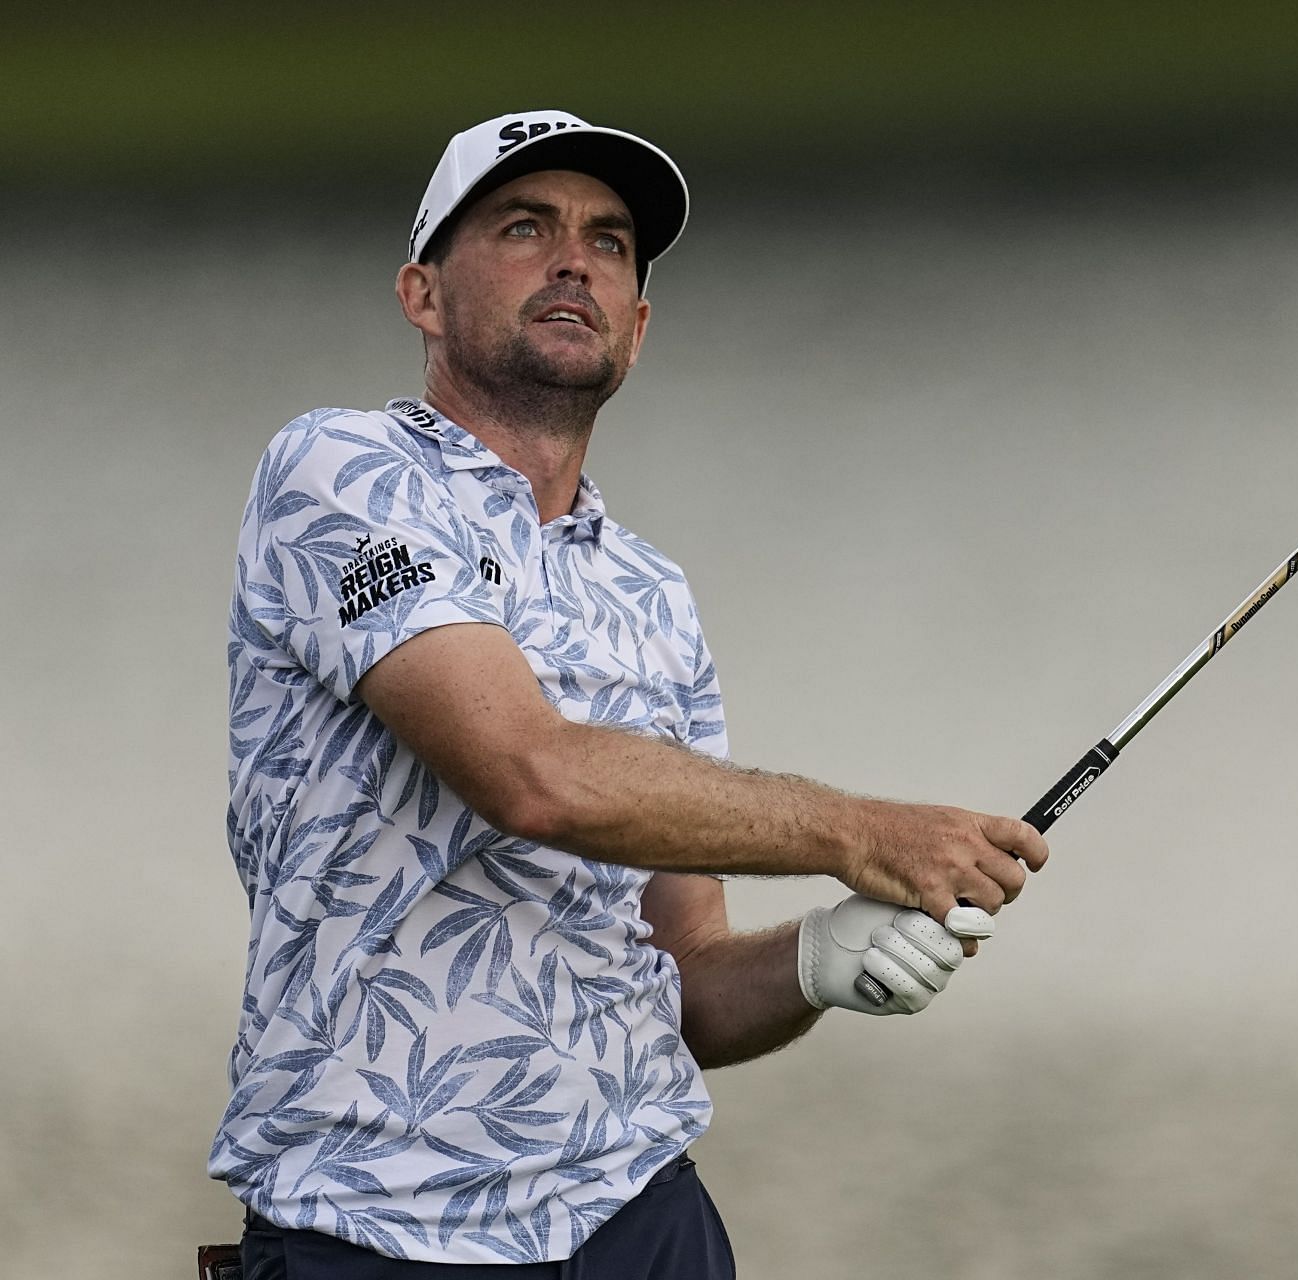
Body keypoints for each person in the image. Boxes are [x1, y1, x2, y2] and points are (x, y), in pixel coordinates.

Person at [210, 110, 1048, 1276]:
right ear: (422, 294)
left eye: (609, 243)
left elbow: (690, 986)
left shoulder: (651, 592)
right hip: (374, 1224)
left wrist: (818, 959)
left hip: (640, 1218)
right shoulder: (339, 472)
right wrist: (857, 831)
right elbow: (531, 772)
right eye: (523, 226)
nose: (574, 260)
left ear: (637, 327)